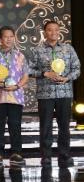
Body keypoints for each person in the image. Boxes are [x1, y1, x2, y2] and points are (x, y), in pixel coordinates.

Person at [30, 20, 80, 167]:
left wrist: (67, 78)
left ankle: (64, 155)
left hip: (64, 93)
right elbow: (29, 70)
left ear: (59, 31)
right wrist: (45, 73)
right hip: (45, 94)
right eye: (50, 30)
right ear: (45, 32)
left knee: (64, 126)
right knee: (45, 126)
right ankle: (46, 156)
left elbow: (77, 69)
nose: (54, 32)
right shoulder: (37, 50)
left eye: (56, 30)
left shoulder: (68, 49)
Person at [0, 26, 29, 168]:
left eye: (11, 37)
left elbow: (26, 75)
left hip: (15, 96)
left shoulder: (20, 56)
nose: (9, 39)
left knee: (15, 125)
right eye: (5, 37)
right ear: (0, 39)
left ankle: (16, 153)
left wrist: (17, 86)